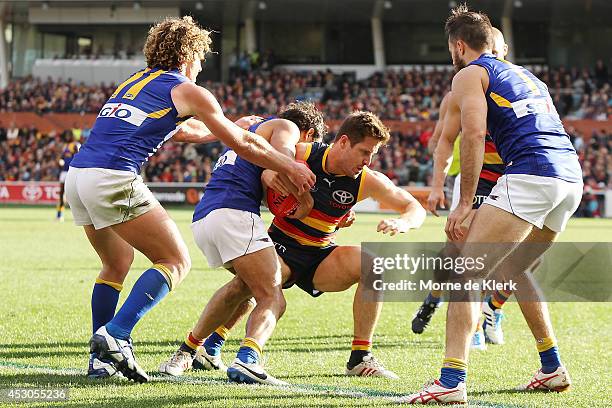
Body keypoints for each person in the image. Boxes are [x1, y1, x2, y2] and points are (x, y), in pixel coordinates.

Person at [65, 16, 314, 383]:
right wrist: (287, 166)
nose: (200, 66)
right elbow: (243, 143)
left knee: (116, 263)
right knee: (175, 261)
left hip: (78, 176)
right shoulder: (186, 88)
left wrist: (224, 125)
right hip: (114, 176)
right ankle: (116, 335)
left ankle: (101, 360)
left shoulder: (134, 82)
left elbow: (184, 130)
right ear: (188, 54)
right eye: (200, 58)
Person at [402, 6, 581, 404]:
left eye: (451, 49)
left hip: (529, 175)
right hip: (569, 178)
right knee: (514, 272)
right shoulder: (528, 75)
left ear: (459, 45)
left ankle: (450, 381)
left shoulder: (469, 72)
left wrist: (464, 203)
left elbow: (474, 133)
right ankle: (551, 367)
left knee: (465, 274)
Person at [165, 111, 427, 382]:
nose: (367, 161)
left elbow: (413, 206)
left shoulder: (366, 179)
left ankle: (360, 358)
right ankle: (191, 348)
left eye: (372, 154)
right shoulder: (302, 153)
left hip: (321, 255)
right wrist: (270, 176)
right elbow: (266, 167)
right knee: (244, 287)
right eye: (364, 151)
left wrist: (404, 222)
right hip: (280, 246)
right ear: (344, 142)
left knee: (374, 265)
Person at [159, 101, 326, 385]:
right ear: (308, 134)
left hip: (205, 218)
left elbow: (265, 182)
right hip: (234, 215)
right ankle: (248, 361)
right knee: (272, 296)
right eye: (311, 145)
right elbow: (283, 158)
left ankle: (194, 351)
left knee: (244, 287)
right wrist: (304, 193)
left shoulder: (253, 131)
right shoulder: (287, 128)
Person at [412, 28, 510, 349]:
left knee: (520, 256)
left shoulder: (519, 86)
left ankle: (490, 310)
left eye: (498, 49)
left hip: (511, 178)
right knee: (458, 251)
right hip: (474, 178)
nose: (494, 53)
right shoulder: (460, 92)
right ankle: (436, 297)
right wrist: (437, 185)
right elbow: (444, 142)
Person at [56, 133, 81, 221]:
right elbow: (60, 160)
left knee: (71, 195)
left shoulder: (75, 151)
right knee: (63, 195)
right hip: (66, 173)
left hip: (70, 173)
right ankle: (60, 215)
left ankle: (61, 215)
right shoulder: (68, 150)